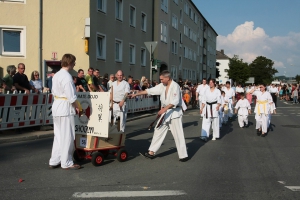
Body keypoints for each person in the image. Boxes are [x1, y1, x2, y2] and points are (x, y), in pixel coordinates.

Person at [130, 70, 188, 162]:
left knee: (178, 134)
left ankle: (183, 155)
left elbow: (175, 101)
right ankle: (151, 152)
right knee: (158, 129)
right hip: (165, 112)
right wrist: (137, 94)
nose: (161, 81)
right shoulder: (162, 86)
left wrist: (163, 109)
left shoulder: (175, 86)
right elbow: (150, 91)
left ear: (167, 78)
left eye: (162, 79)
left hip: (174, 113)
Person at [49, 53, 80, 170]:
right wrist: (77, 107)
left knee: (58, 135)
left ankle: (55, 160)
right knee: (67, 135)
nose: (74, 65)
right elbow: (71, 96)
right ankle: (66, 162)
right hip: (65, 108)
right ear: (70, 62)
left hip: (57, 106)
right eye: (74, 62)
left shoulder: (56, 75)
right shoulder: (67, 77)